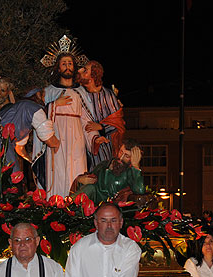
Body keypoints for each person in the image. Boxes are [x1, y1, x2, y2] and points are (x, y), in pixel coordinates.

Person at [39, 52, 105, 197]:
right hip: (57, 139)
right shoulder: (49, 91)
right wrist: (55, 105)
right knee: (58, 174)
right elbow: (38, 116)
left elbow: (86, 120)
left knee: (77, 172)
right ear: (58, 68)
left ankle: (76, 208)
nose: (67, 67)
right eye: (64, 63)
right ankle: (56, 209)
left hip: (77, 141)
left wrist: (94, 138)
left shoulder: (81, 92)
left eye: (70, 63)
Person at [76, 60, 126, 168]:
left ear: (93, 74)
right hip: (82, 144)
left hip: (105, 145)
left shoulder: (108, 95)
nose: (81, 72)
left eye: (85, 70)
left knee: (102, 172)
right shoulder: (79, 94)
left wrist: (100, 127)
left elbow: (118, 121)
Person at [72, 139, 145, 204]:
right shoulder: (104, 165)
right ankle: (67, 207)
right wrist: (81, 180)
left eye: (127, 156)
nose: (120, 157)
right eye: (121, 152)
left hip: (115, 208)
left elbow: (140, 190)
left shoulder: (131, 173)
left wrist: (136, 167)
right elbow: (87, 181)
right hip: (95, 204)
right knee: (89, 188)